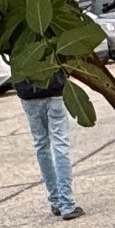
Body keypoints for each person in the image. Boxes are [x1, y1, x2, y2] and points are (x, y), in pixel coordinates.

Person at [16, 69, 84, 220]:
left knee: (41, 145)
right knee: (60, 144)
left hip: (27, 91)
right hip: (55, 88)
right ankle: (67, 203)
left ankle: (56, 200)